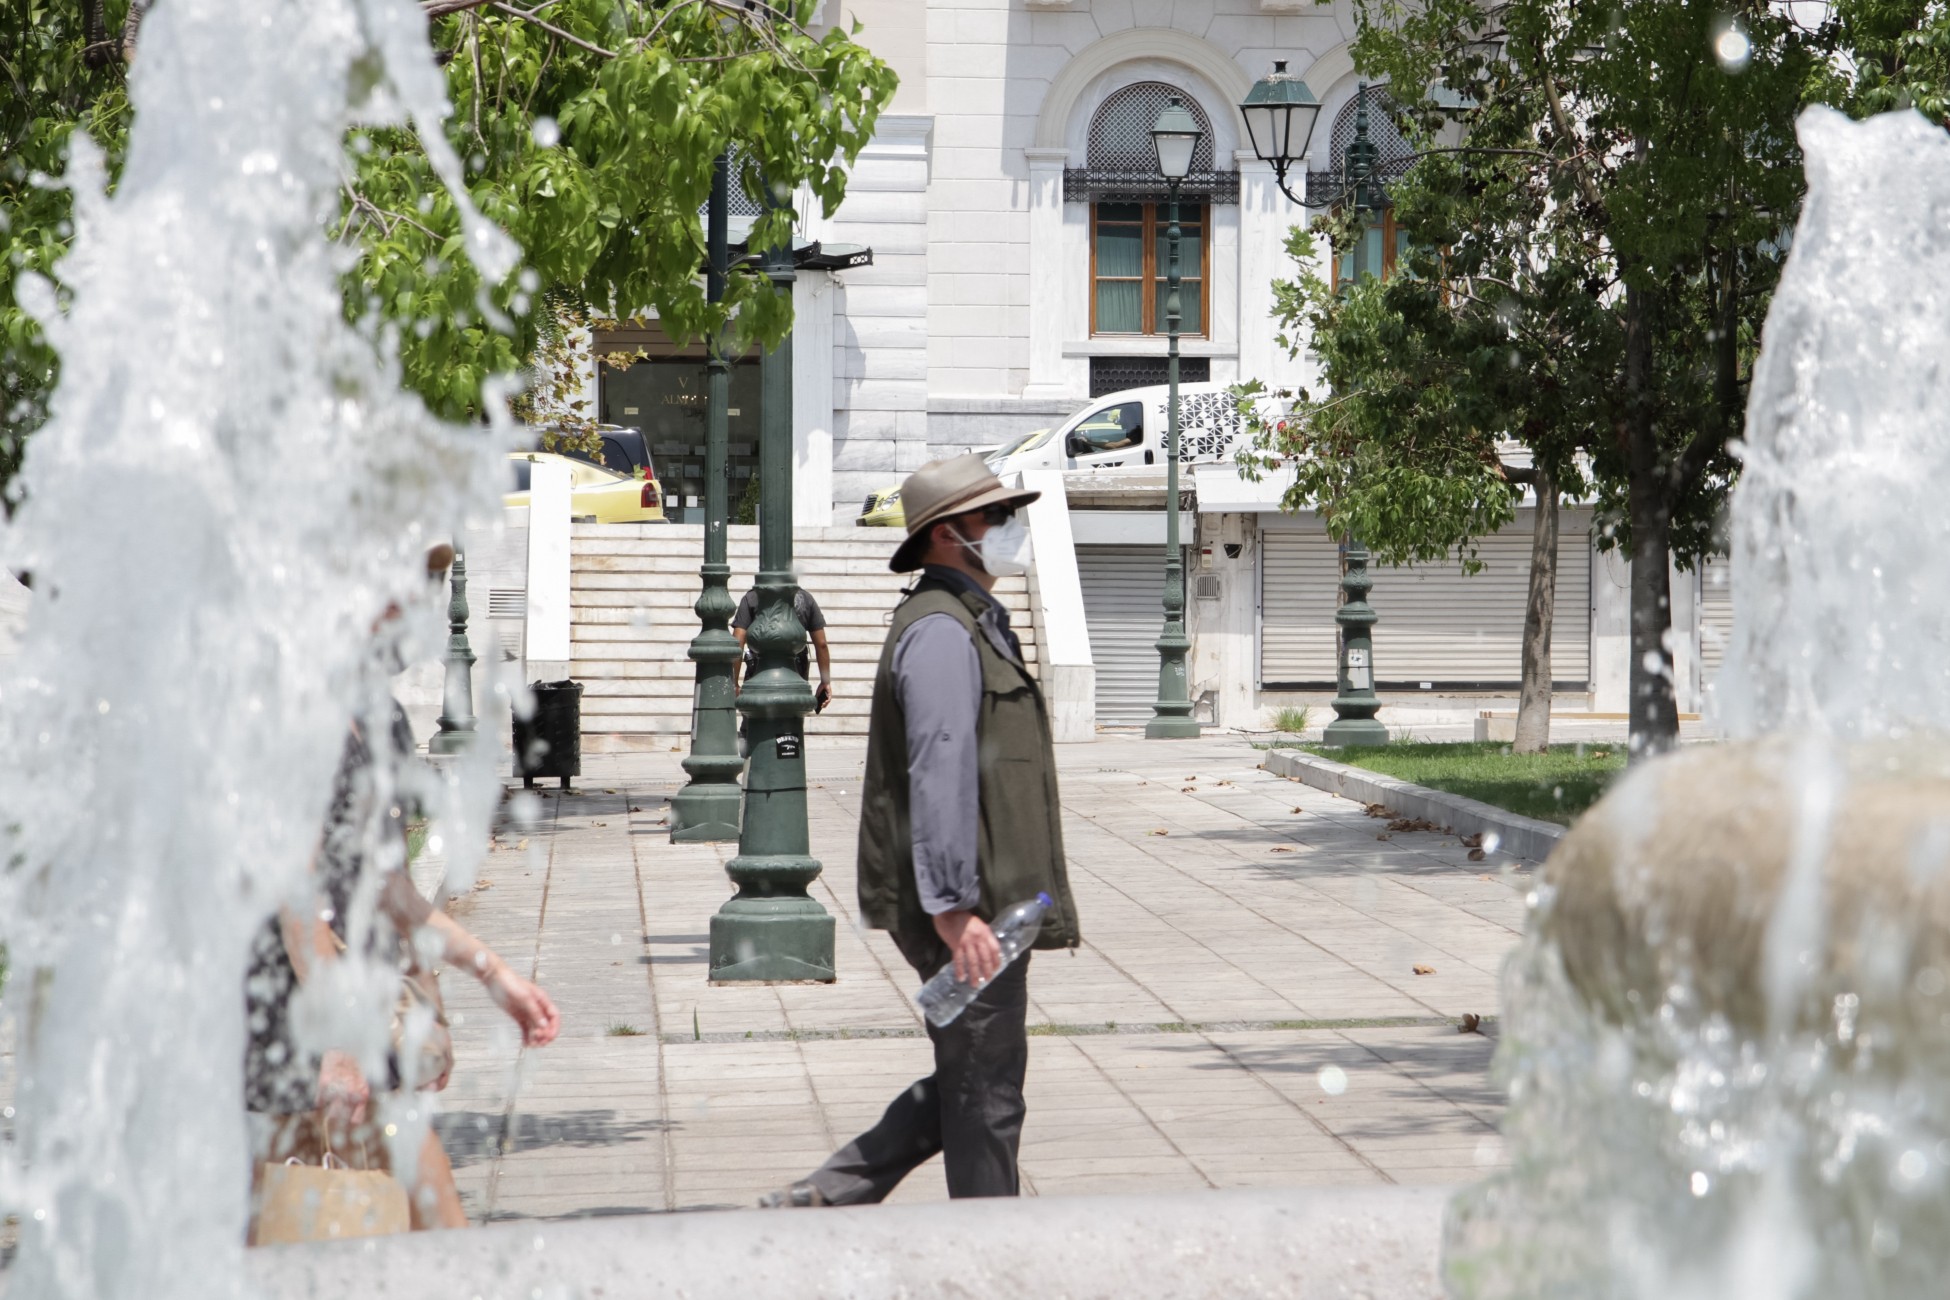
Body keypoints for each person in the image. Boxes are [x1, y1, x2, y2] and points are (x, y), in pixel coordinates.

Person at [760, 454, 1081, 1208]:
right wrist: (952, 908)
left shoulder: (971, 620)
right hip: (967, 909)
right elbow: (940, 766)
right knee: (986, 1097)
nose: (1008, 527)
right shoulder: (941, 631)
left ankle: (825, 1197)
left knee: (975, 1079)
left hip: (992, 904)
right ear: (946, 535)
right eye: (992, 516)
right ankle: (984, 1254)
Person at [245, 551, 560, 1235]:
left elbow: (387, 887)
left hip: (350, 1019)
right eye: (407, 585)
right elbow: (293, 891)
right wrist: (337, 1046)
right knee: (385, 1229)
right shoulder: (296, 707)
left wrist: (490, 973)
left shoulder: (377, 714)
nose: (418, 604)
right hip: (293, 1026)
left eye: (429, 585)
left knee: (338, 1233)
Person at [731, 579, 831, 713]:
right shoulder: (806, 598)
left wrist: (734, 682)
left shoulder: (752, 597)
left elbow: (738, 640)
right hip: (795, 672)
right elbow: (822, 644)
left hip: (759, 670)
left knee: (755, 716)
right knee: (793, 715)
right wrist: (825, 681)